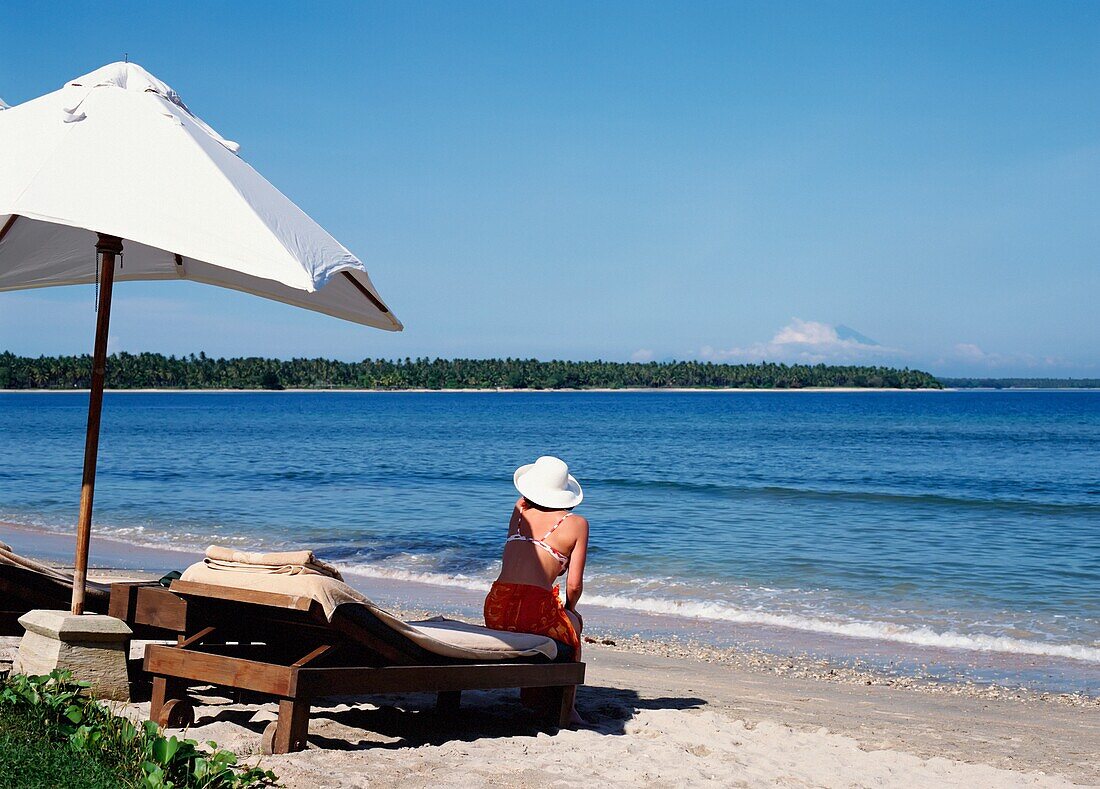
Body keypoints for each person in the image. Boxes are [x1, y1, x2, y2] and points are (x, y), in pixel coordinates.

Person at [484, 455, 589, 724]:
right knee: (572, 624)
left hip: (498, 605)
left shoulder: (519, 512)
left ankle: (533, 696)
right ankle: (568, 706)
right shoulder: (576, 524)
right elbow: (574, 585)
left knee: (547, 624)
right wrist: (571, 610)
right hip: (533, 608)